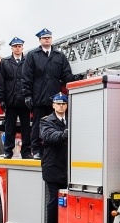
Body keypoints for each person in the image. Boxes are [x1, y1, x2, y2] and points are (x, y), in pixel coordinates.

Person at [21, 28, 79, 159]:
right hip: (38, 96)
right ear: (40, 40)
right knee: (38, 123)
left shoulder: (59, 56)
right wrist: (27, 95)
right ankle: (36, 149)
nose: (47, 40)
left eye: (49, 38)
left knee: (56, 123)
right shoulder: (32, 55)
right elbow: (26, 76)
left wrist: (77, 78)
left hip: (54, 97)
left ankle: (52, 149)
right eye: (44, 38)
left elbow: (66, 75)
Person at [39, 94, 74, 223]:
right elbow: (49, 136)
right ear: (53, 105)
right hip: (53, 167)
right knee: (54, 201)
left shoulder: (72, 119)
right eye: (58, 103)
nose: (61, 106)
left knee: (68, 203)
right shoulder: (46, 121)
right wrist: (65, 133)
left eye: (63, 104)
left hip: (68, 168)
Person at [0, 37, 31, 159]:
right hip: (11, 100)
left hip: (25, 101)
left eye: (19, 46)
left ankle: (26, 152)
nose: (17, 48)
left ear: (22, 47)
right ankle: (8, 151)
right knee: (9, 127)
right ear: (11, 48)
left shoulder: (28, 61)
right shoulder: (5, 62)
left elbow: (32, 80)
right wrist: (1, 99)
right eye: (15, 46)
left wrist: (30, 96)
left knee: (26, 128)